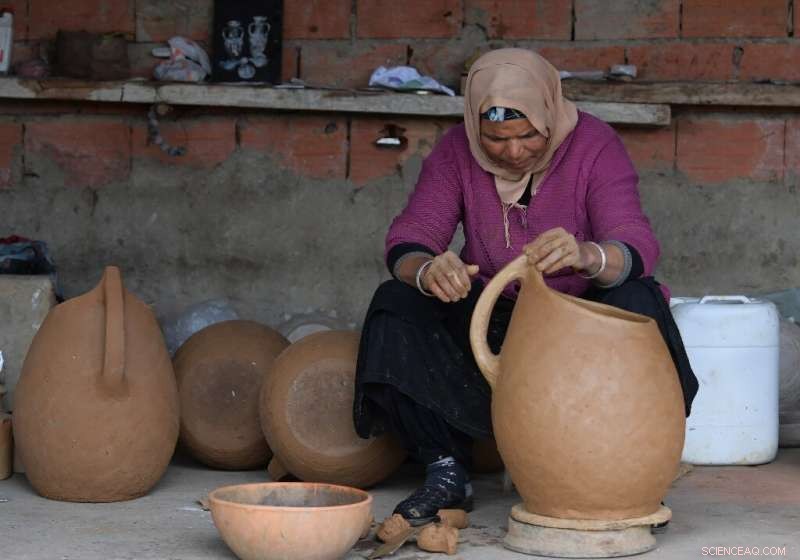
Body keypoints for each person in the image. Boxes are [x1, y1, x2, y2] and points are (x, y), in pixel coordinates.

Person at [352, 48, 698, 525]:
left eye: (528, 135)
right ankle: (445, 468)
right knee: (397, 300)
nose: (513, 152)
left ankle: (626, 464)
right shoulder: (457, 151)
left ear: (550, 115)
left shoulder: (594, 145)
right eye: (496, 139)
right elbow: (410, 239)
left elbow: (635, 241)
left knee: (635, 298)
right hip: (499, 327)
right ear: (477, 128)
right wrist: (428, 271)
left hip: (578, 331)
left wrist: (588, 254)